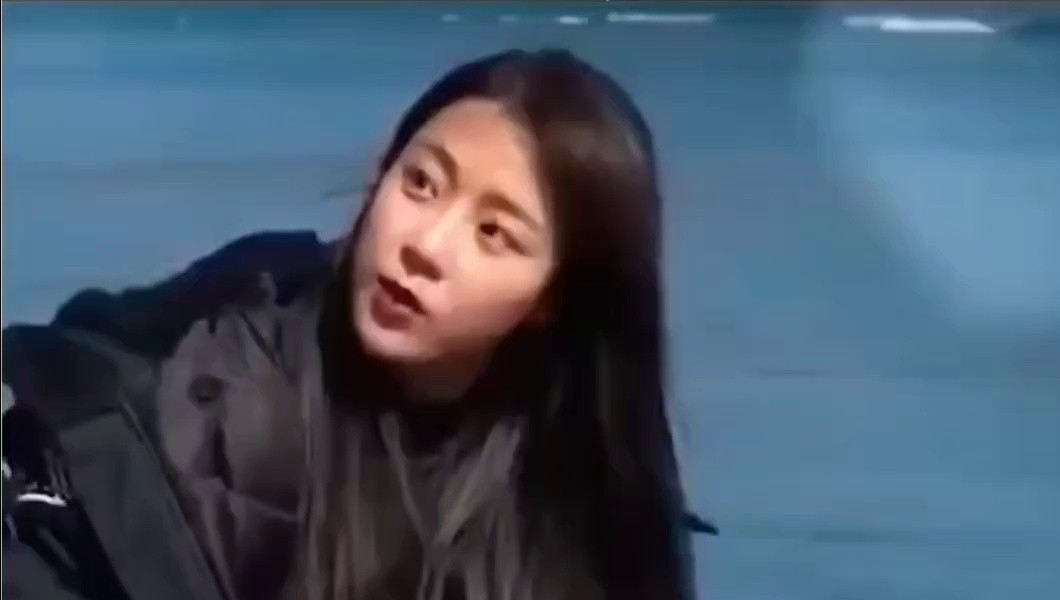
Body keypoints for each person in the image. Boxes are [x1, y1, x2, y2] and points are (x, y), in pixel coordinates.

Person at [2, 49, 714, 600]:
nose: (425, 246)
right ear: (381, 172)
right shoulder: (221, 391)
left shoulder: (589, 513)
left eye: (493, 233)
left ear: (550, 298)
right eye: (421, 183)